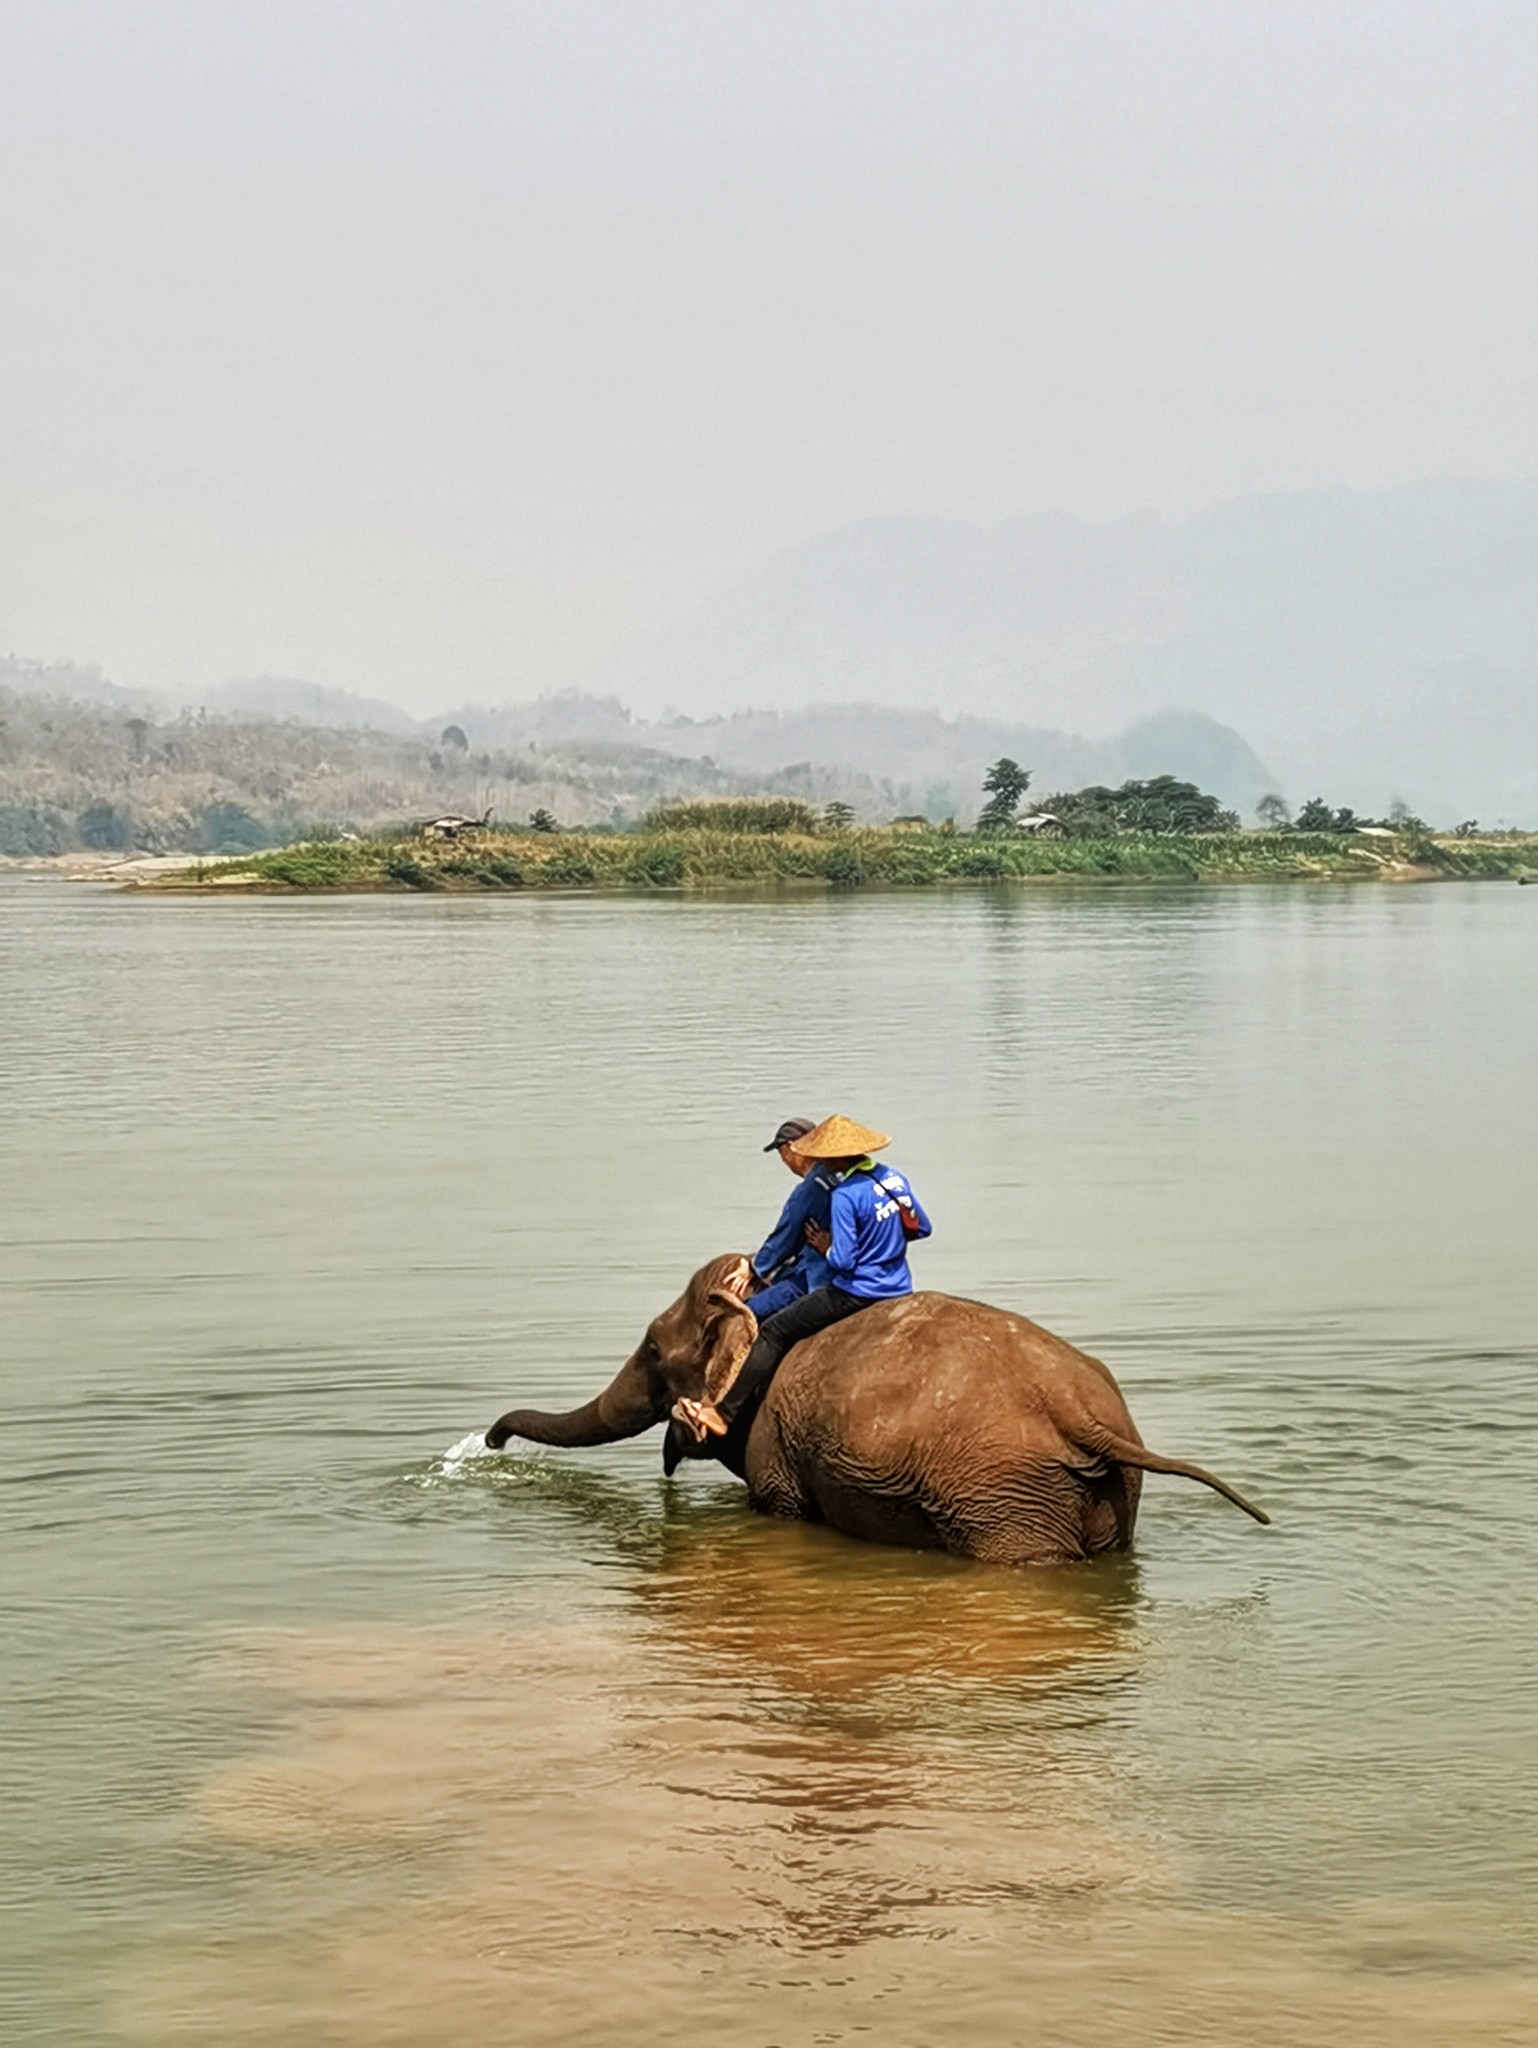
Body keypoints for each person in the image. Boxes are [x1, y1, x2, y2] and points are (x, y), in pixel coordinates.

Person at [674, 1114, 932, 1442]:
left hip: (858, 1290)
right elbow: (921, 1228)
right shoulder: (893, 1179)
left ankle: (722, 1413)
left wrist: (826, 1246)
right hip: (898, 1284)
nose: (820, 1162)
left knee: (772, 1331)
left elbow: (843, 1260)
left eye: (824, 1155)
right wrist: (880, 1244)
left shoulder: (846, 1194)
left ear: (837, 1155)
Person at [745, 1115, 836, 1322]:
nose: (783, 1160)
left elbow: (785, 1237)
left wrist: (755, 1267)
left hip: (817, 1276)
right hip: (843, 1265)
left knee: (746, 1314)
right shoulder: (835, 1177)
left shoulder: (809, 1189)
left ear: (791, 1147)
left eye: (781, 1152)